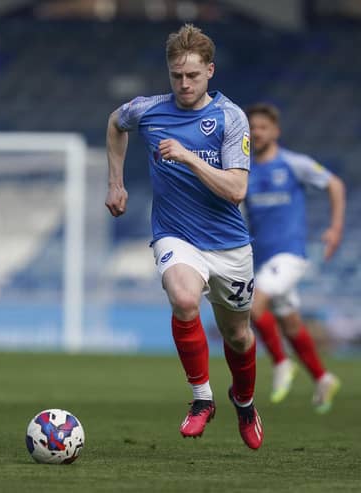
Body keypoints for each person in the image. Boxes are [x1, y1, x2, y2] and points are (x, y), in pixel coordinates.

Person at [105, 24, 262, 449]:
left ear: (210, 71)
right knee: (185, 298)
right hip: (176, 235)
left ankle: (244, 401)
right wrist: (116, 182)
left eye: (192, 75)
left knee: (238, 336)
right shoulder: (149, 110)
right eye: (176, 75)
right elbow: (116, 122)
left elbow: (236, 190)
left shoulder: (230, 117)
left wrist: (189, 156)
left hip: (229, 245)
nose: (184, 83)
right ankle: (202, 398)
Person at [245, 103, 345, 413]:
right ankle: (323, 377)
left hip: (289, 255)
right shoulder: (243, 169)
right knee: (289, 323)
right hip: (262, 259)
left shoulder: (293, 164)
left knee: (252, 304)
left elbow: (335, 184)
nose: (257, 132)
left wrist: (335, 229)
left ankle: (281, 363)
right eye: (252, 127)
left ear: (275, 131)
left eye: (263, 127)